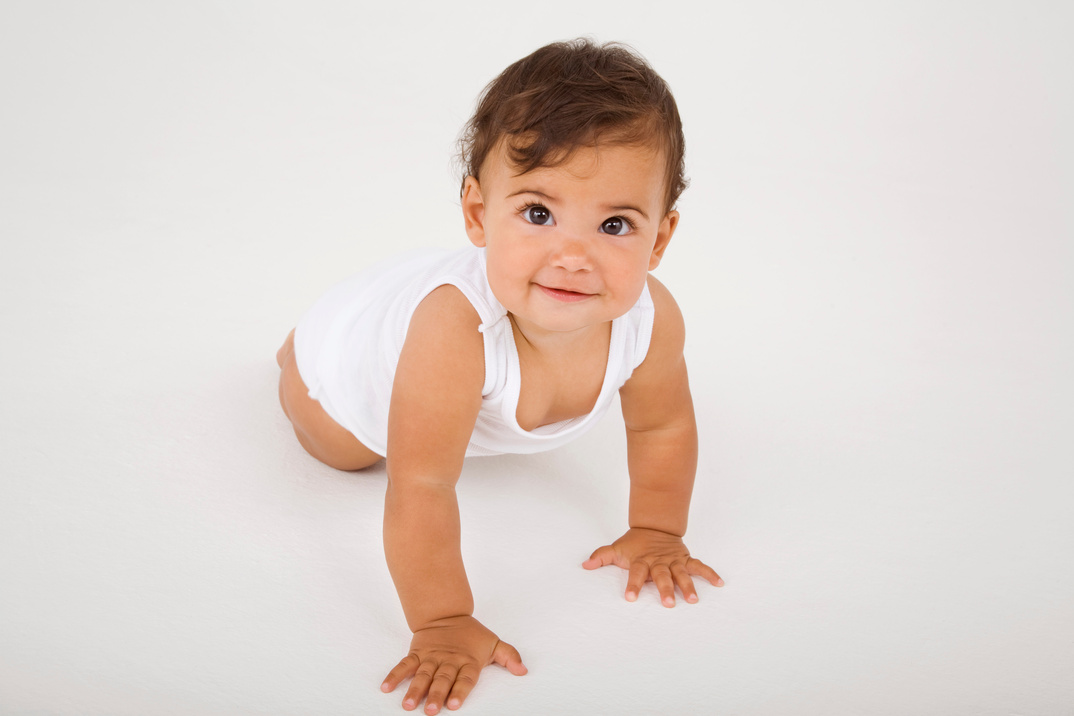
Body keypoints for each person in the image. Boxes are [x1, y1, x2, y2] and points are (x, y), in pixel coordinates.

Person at [276, 37, 724, 714]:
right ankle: (290, 357)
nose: (573, 256)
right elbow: (424, 483)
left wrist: (658, 530)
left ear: (660, 239)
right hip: (348, 363)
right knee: (346, 452)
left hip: (446, 319)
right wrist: (443, 620)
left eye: (614, 224)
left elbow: (663, 423)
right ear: (480, 214)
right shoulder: (455, 334)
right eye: (538, 214)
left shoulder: (651, 320)